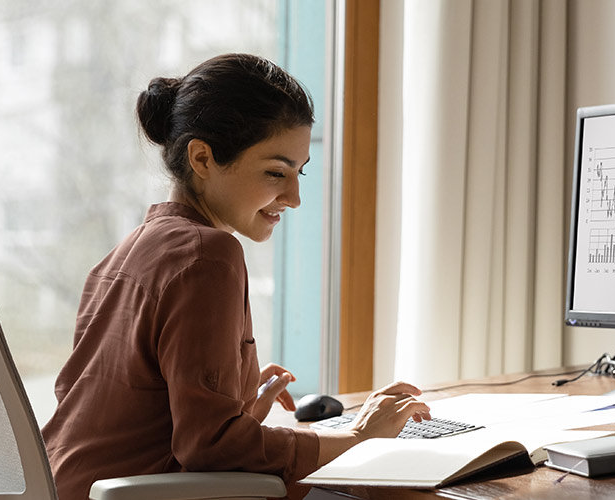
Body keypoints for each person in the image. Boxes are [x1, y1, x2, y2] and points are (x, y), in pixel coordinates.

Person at [41, 53, 431, 500]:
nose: (295, 197)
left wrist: (237, 403)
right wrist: (358, 438)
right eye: (275, 172)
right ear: (203, 158)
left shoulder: (123, 255)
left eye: (298, 173)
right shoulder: (208, 254)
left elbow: (124, 411)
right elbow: (209, 448)